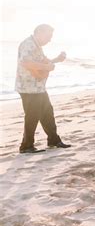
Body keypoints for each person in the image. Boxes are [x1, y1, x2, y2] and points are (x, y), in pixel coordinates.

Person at [16, 24, 71, 154]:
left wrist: (56, 60)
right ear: (40, 32)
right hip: (28, 87)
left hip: (38, 87)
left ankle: (53, 141)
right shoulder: (28, 44)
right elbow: (25, 62)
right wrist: (47, 68)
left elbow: (42, 64)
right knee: (32, 116)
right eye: (48, 36)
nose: (50, 39)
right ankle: (26, 146)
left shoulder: (36, 45)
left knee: (47, 113)